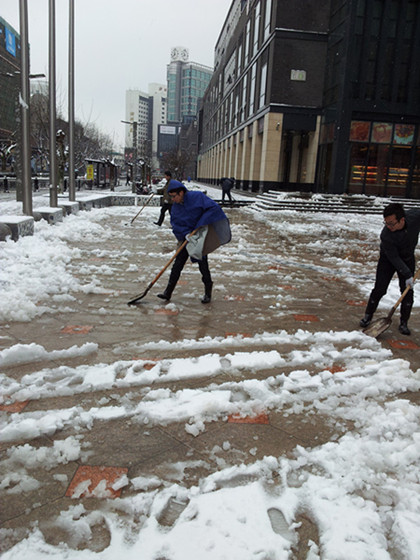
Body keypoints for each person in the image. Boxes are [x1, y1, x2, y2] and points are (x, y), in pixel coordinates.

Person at [157, 180, 231, 304]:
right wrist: (185, 234)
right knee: (177, 265)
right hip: (185, 238)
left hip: (199, 237)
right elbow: (175, 224)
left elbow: (213, 208)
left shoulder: (197, 197)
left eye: (174, 196)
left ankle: (208, 292)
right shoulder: (175, 207)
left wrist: (201, 223)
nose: (173, 199)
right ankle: (168, 292)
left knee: (203, 265)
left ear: (181, 192)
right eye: (171, 197)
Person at [360, 203, 420, 335]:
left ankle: (404, 323)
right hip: (388, 260)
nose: (388, 226)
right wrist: (407, 274)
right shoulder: (386, 235)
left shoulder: (414, 217)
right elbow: (394, 258)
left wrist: (408, 275)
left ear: (402, 220)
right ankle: (368, 316)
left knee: (407, 292)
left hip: (407, 258)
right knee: (380, 288)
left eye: (391, 223)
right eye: (386, 223)